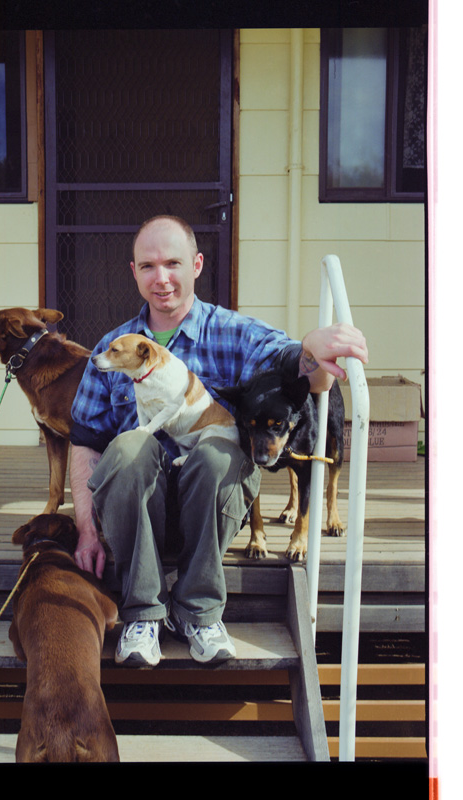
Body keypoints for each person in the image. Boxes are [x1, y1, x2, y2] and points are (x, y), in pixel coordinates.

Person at [69, 215, 368, 667]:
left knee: (216, 453)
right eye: (148, 266)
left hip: (213, 509)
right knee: (129, 447)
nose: (161, 278)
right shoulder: (112, 349)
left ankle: (199, 613)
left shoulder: (234, 333)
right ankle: (142, 615)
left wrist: (312, 347)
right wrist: (87, 530)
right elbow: (85, 443)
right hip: (138, 515)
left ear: (197, 265)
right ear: (134, 272)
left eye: (173, 263)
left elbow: (303, 370)